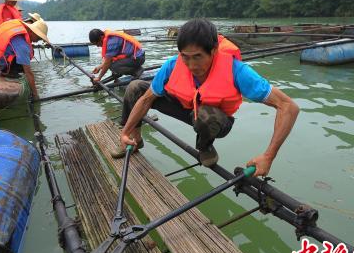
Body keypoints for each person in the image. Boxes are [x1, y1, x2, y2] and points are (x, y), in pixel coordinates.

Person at [112, 19, 299, 177]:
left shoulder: (238, 71)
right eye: (185, 57)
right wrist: (125, 132)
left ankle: (205, 145)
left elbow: (288, 107)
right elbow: (145, 100)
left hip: (215, 119)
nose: (191, 65)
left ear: (214, 50)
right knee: (135, 88)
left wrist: (268, 156)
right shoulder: (172, 65)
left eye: (198, 57)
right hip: (185, 107)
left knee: (206, 117)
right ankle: (134, 139)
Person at [0, 19, 49, 101]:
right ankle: (10, 73)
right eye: (38, 37)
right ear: (31, 32)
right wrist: (35, 94)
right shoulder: (22, 45)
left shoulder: (15, 24)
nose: (37, 41)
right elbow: (28, 72)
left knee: (12, 52)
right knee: (23, 64)